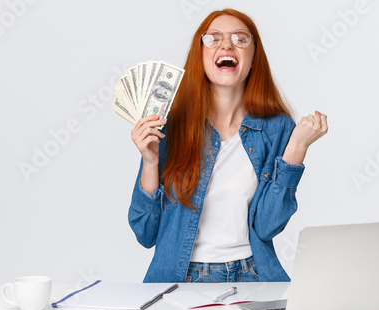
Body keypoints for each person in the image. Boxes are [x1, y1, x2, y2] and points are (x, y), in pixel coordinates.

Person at [128, 8, 328, 283]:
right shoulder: (168, 126)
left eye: (240, 39)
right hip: (181, 279)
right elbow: (145, 233)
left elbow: (268, 226)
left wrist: (296, 150)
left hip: (252, 276)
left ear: (253, 59)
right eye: (213, 38)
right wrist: (150, 162)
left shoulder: (277, 128)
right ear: (200, 56)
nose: (226, 44)